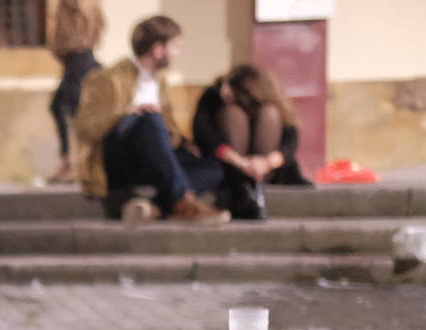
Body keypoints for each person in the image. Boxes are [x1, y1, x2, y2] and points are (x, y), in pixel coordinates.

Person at [74, 15, 228, 224]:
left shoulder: (160, 81)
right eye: (176, 47)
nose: (178, 53)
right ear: (158, 50)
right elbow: (84, 129)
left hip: (155, 159)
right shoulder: (106, 78)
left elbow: (166, 133)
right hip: (119, 159)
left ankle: (151, 207)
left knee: (213, 167)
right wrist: (124, 113)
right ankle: (183, 202)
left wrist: (183, 144)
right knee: (150, 116)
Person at [191, 64, 311, 219]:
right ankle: (242, 186)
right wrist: (239, 162)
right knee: (233, 115)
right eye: (226, 86)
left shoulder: (270, 101)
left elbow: (290, 138)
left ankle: (254, 184)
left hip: (265, 164)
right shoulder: (213, 94)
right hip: (230, 165)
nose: (225, 91)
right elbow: (203, 133)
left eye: (232, 90)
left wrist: (266, 162)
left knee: (270, 114)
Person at [46, 0, 104, 184]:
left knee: (73, 112)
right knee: (59, 107)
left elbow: (84, 30)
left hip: (80, 59)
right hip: (73, 60)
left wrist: (60, 43)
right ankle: (70, 162)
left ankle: (77, 165)